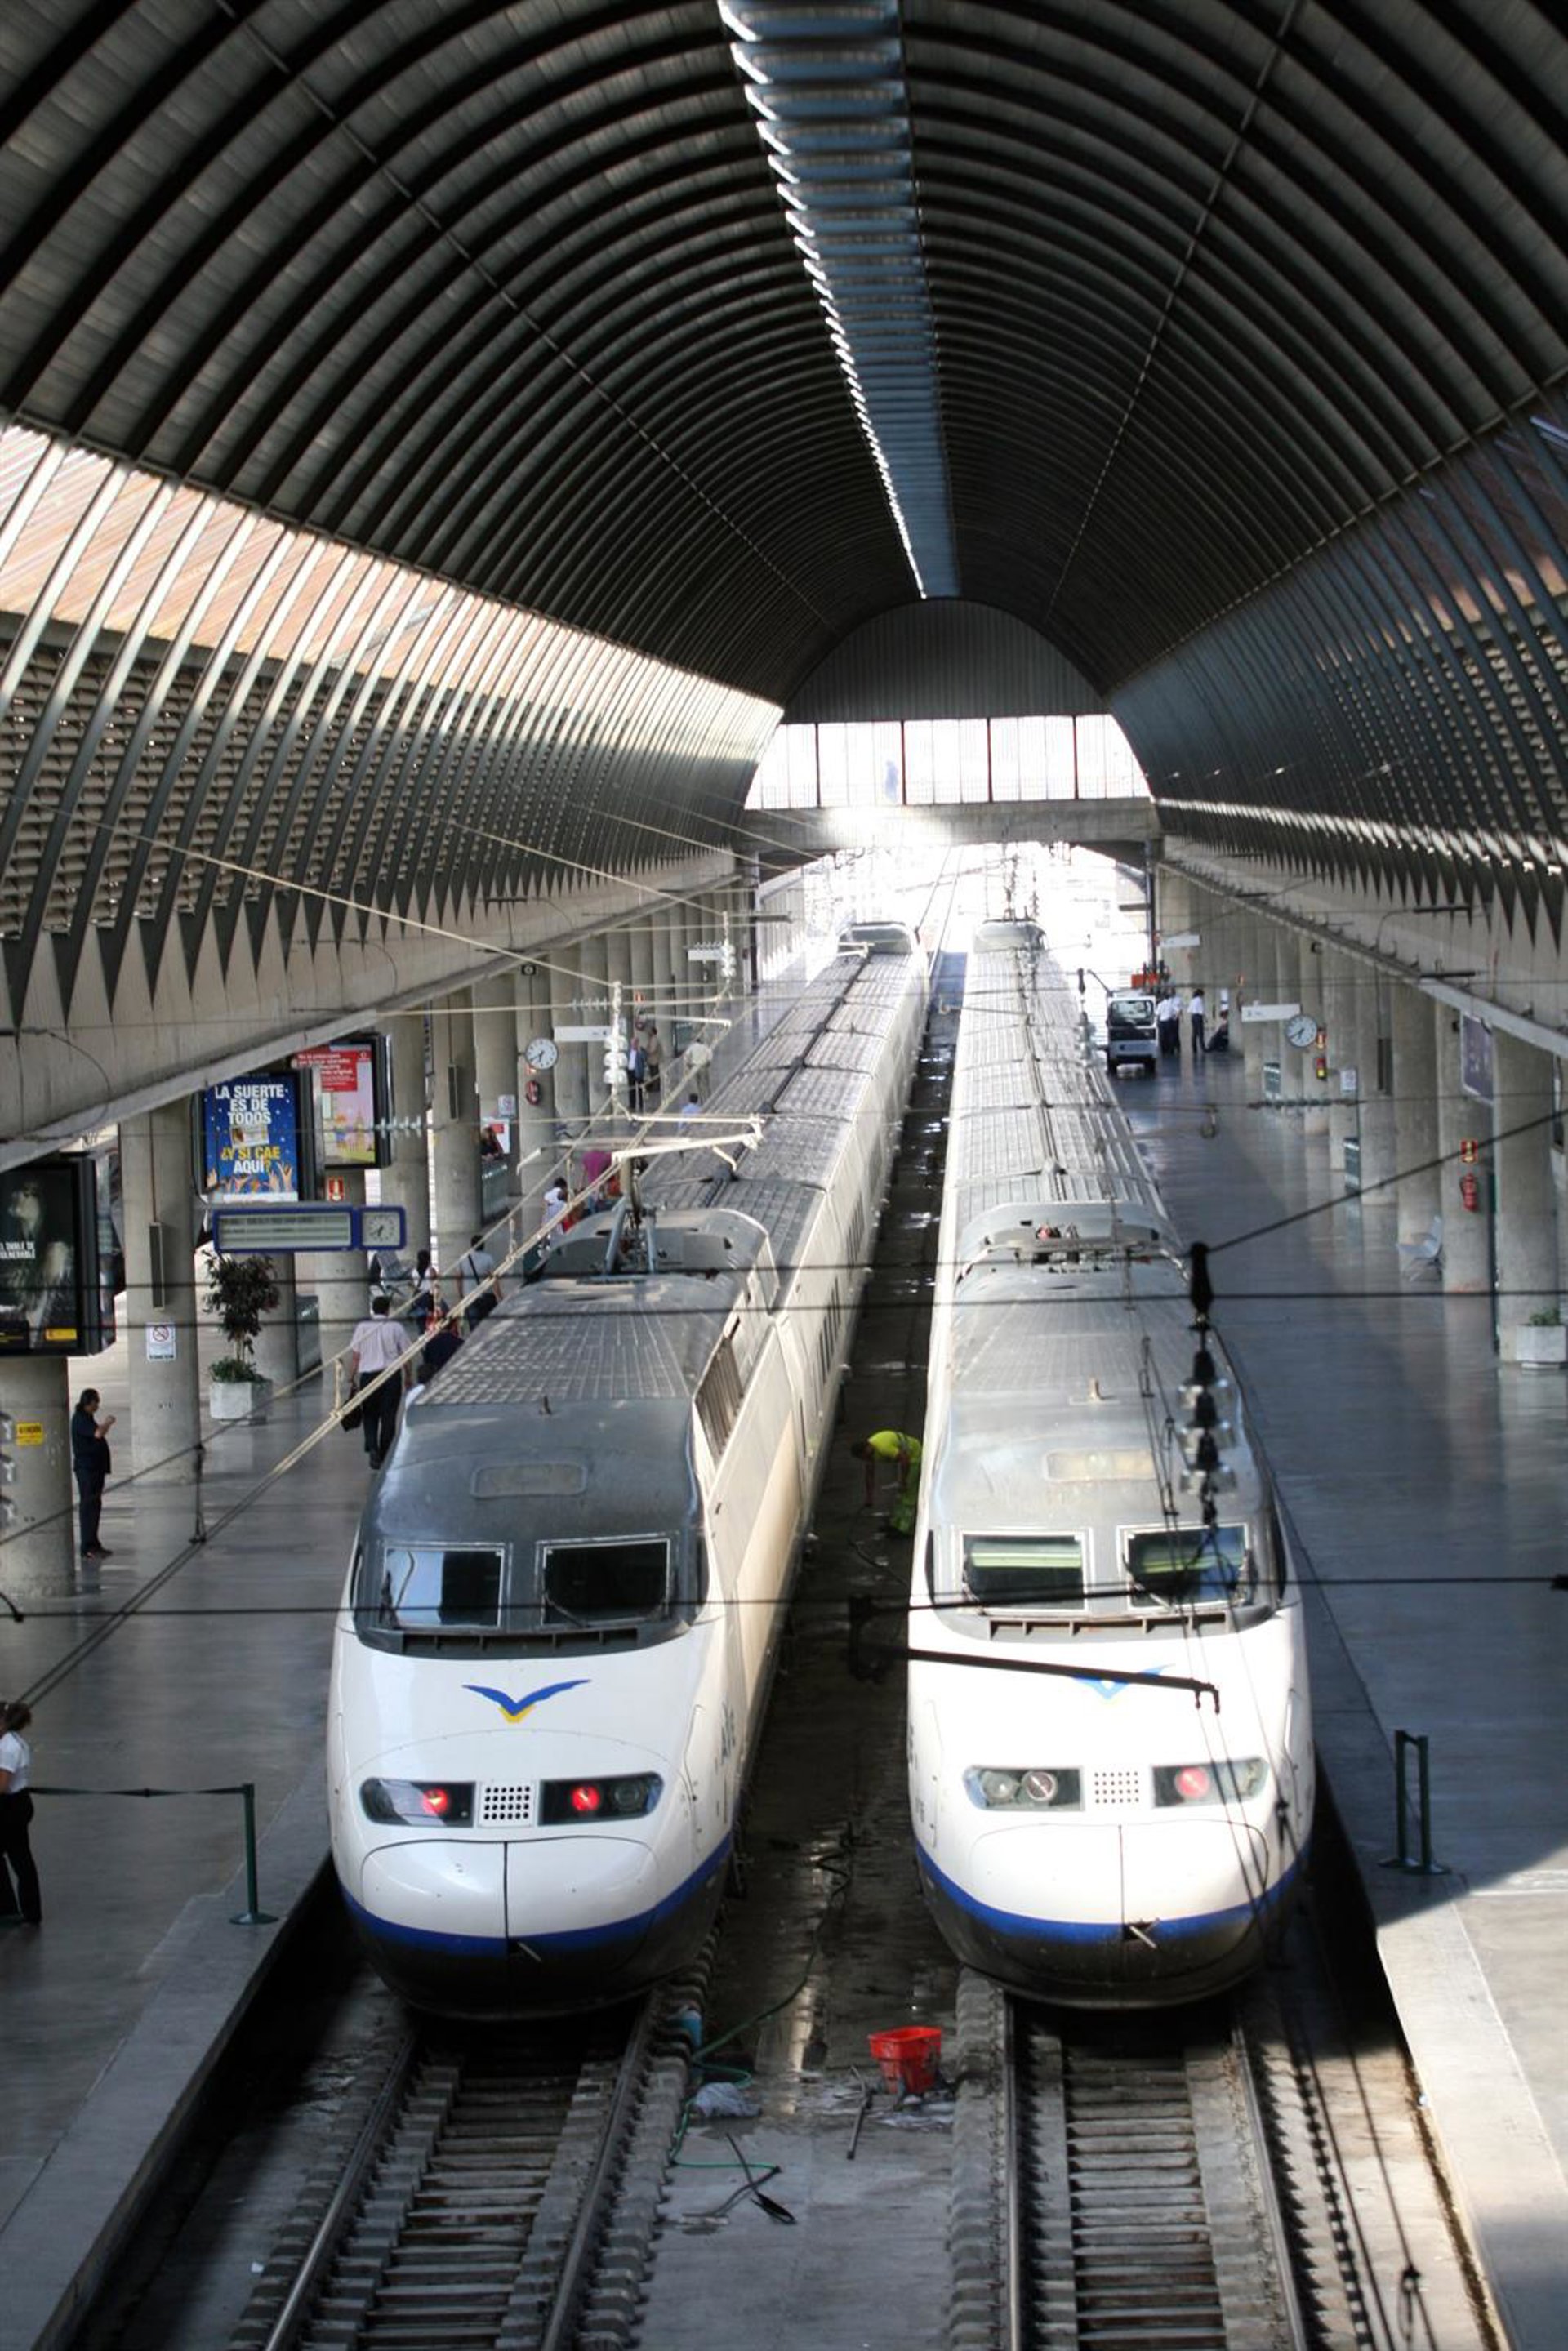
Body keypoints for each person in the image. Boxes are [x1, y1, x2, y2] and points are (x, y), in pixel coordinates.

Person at [347, 1296, 408, 1469]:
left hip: (368, 1377)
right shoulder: (396, 1327)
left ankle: (373, 1448)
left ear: (373, 1309)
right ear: (388, 1309)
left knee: (370, 1415)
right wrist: (408, 1376)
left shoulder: (362, 1327)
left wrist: (352, 1376)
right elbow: (406, 1354)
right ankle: (385, 1452)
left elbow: (356, 1356)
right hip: (391, 1377)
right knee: (389, 1417)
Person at [0, 1699, 41, 1927]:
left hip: (10, 1808)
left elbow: (2, 1785)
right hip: (18, 1804)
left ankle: (11, 1909)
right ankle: (24, 1910)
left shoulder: (7, 1748)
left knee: (21, 1860)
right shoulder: (14, 1741)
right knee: (22, 1858)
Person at [850, 1429, 923, 1536]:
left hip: (914, 1456)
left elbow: (905, 1459)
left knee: (908, 1495)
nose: (866, 1459)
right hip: (904, 1458)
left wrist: (903, 1481)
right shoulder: (870, 1451)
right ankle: (895, 1525)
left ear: (867, 1449)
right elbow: (869, 1475)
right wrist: (869, 1497)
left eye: (865, 1456)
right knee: (900, 1495)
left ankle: (904, 1529)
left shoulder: (883, 1448)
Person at [70, 1387, 114, 1561]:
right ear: (88, 1403)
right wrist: (108, 1422)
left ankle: (94, 1544)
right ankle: (87, 1547)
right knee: (89, 1507)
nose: (98, 1405)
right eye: (96, 1402)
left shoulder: (87, 1417)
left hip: (95, 1469)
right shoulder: (80, 1419)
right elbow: (98, 1433)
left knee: (95, 1506)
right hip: (87, 1470)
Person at [455, 1233, 502, 1328]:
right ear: (483, 1245)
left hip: (470, 1298)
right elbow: (494, 1280)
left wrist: (460, 1295)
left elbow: (458, 1279)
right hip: (486, 1297)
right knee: (488, 1327)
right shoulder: (488, 1258)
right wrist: (499, 1296)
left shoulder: (463, 1259)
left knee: (474, 1328)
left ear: (472, 1245)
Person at [416, 1307, 464, 1385]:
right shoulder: (460, 1343)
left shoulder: (431, 1344)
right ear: (453, 1326)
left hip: (437, 1381)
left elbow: (427, 1364)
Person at [1156, 991, 1181, 1060]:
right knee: (1170, 1037)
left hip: (1162, 1022)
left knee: (1163, 1037)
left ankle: (1164, 1050)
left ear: (1163, 998)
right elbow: (1178, 1011)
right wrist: (1175, 1018)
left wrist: (1157, 1022)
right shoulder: (1171, 1004)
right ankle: (1171, 1050)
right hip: (1169, 1022)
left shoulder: (1160, 1004)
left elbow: (1157, 1014)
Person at [642, 1024, 664, 1104]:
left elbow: (652, 1050)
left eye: (649, 1031)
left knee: (655, 1073)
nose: (648, 1032)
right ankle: (654, 1086)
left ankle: (656, 1087)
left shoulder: (654, 1039)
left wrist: (646, 1051)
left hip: (654, 1060)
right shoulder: (652, 1039)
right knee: (653, 1073)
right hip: (652, 1060)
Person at [626, 1035, 646, 1113]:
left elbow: (644, 1059)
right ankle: (632, 1105)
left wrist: (640, 1051)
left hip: (638, 1072)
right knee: (631, 1089)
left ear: (637, 1043)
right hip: (630, 1071)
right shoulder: (628, 1051)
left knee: (640, 1089)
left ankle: (641, 1104)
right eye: (632, 1043)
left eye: (635, 1043)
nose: (633, 1045)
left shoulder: (641, 1051)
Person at [1188, 988, 1207, 1054]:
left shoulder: (1192, 1000)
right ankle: (1203, 1048)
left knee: (1194, 1033)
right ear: (1200, 994)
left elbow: (1189, 1010)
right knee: (1200, 1033)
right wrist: (1205, 1018)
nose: (1203, 996)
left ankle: (1194, 1048)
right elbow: (1202, 1010)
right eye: (1203, 995)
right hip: (1198, 1017)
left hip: (1193, 1017)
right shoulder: (1200, 1000)